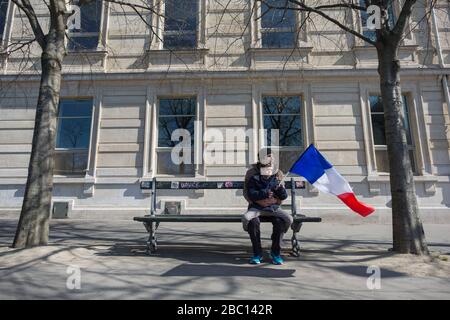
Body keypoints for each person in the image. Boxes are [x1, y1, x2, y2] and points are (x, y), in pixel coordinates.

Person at [242, 151, 293, 265]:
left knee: (281, 222)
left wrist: (275, 201)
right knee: (252, 222)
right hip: (256, 206)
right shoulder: (251, 173)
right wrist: (260, 201)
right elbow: (247, 192)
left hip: (273, 207)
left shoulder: (277, 173)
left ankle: (275, 252)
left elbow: (282, 194)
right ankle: (257, 253)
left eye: (270, 159)